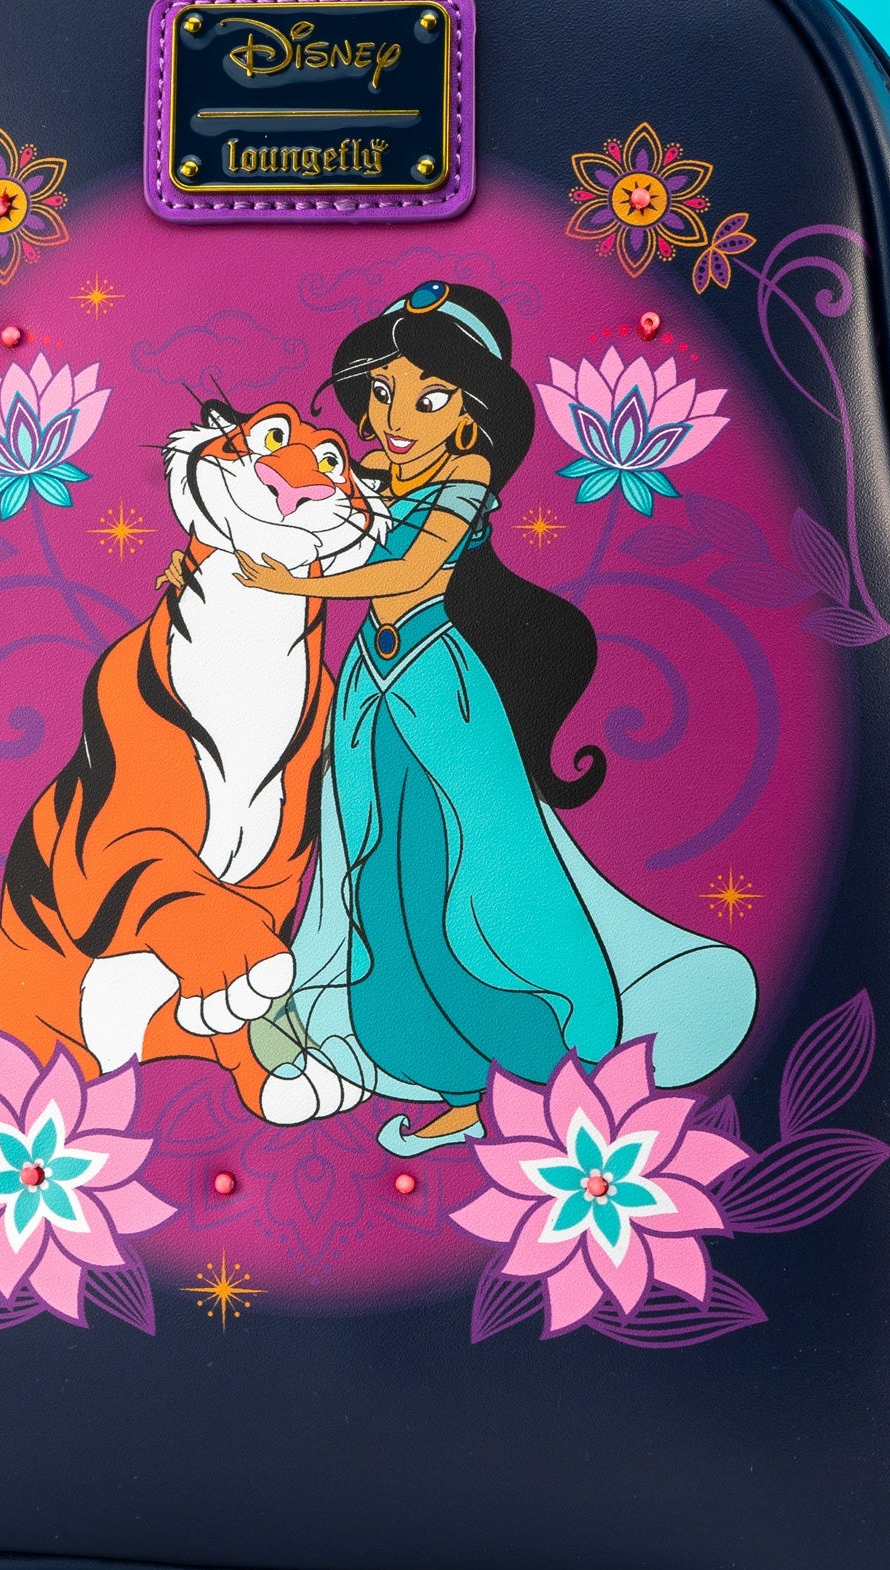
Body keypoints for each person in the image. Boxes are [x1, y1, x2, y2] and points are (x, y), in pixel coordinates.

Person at [233, 281, 756, 1151]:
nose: (397, 417)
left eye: (430, 399)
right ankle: (449, 1077)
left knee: (466, 878)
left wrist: (294, 583)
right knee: (377, 875)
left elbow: (415, 574)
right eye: (386, 392)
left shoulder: (465, 479)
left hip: (439, 688)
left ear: (475, 412)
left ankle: (534, 1069)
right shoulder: (383, 471)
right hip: (372, 684)